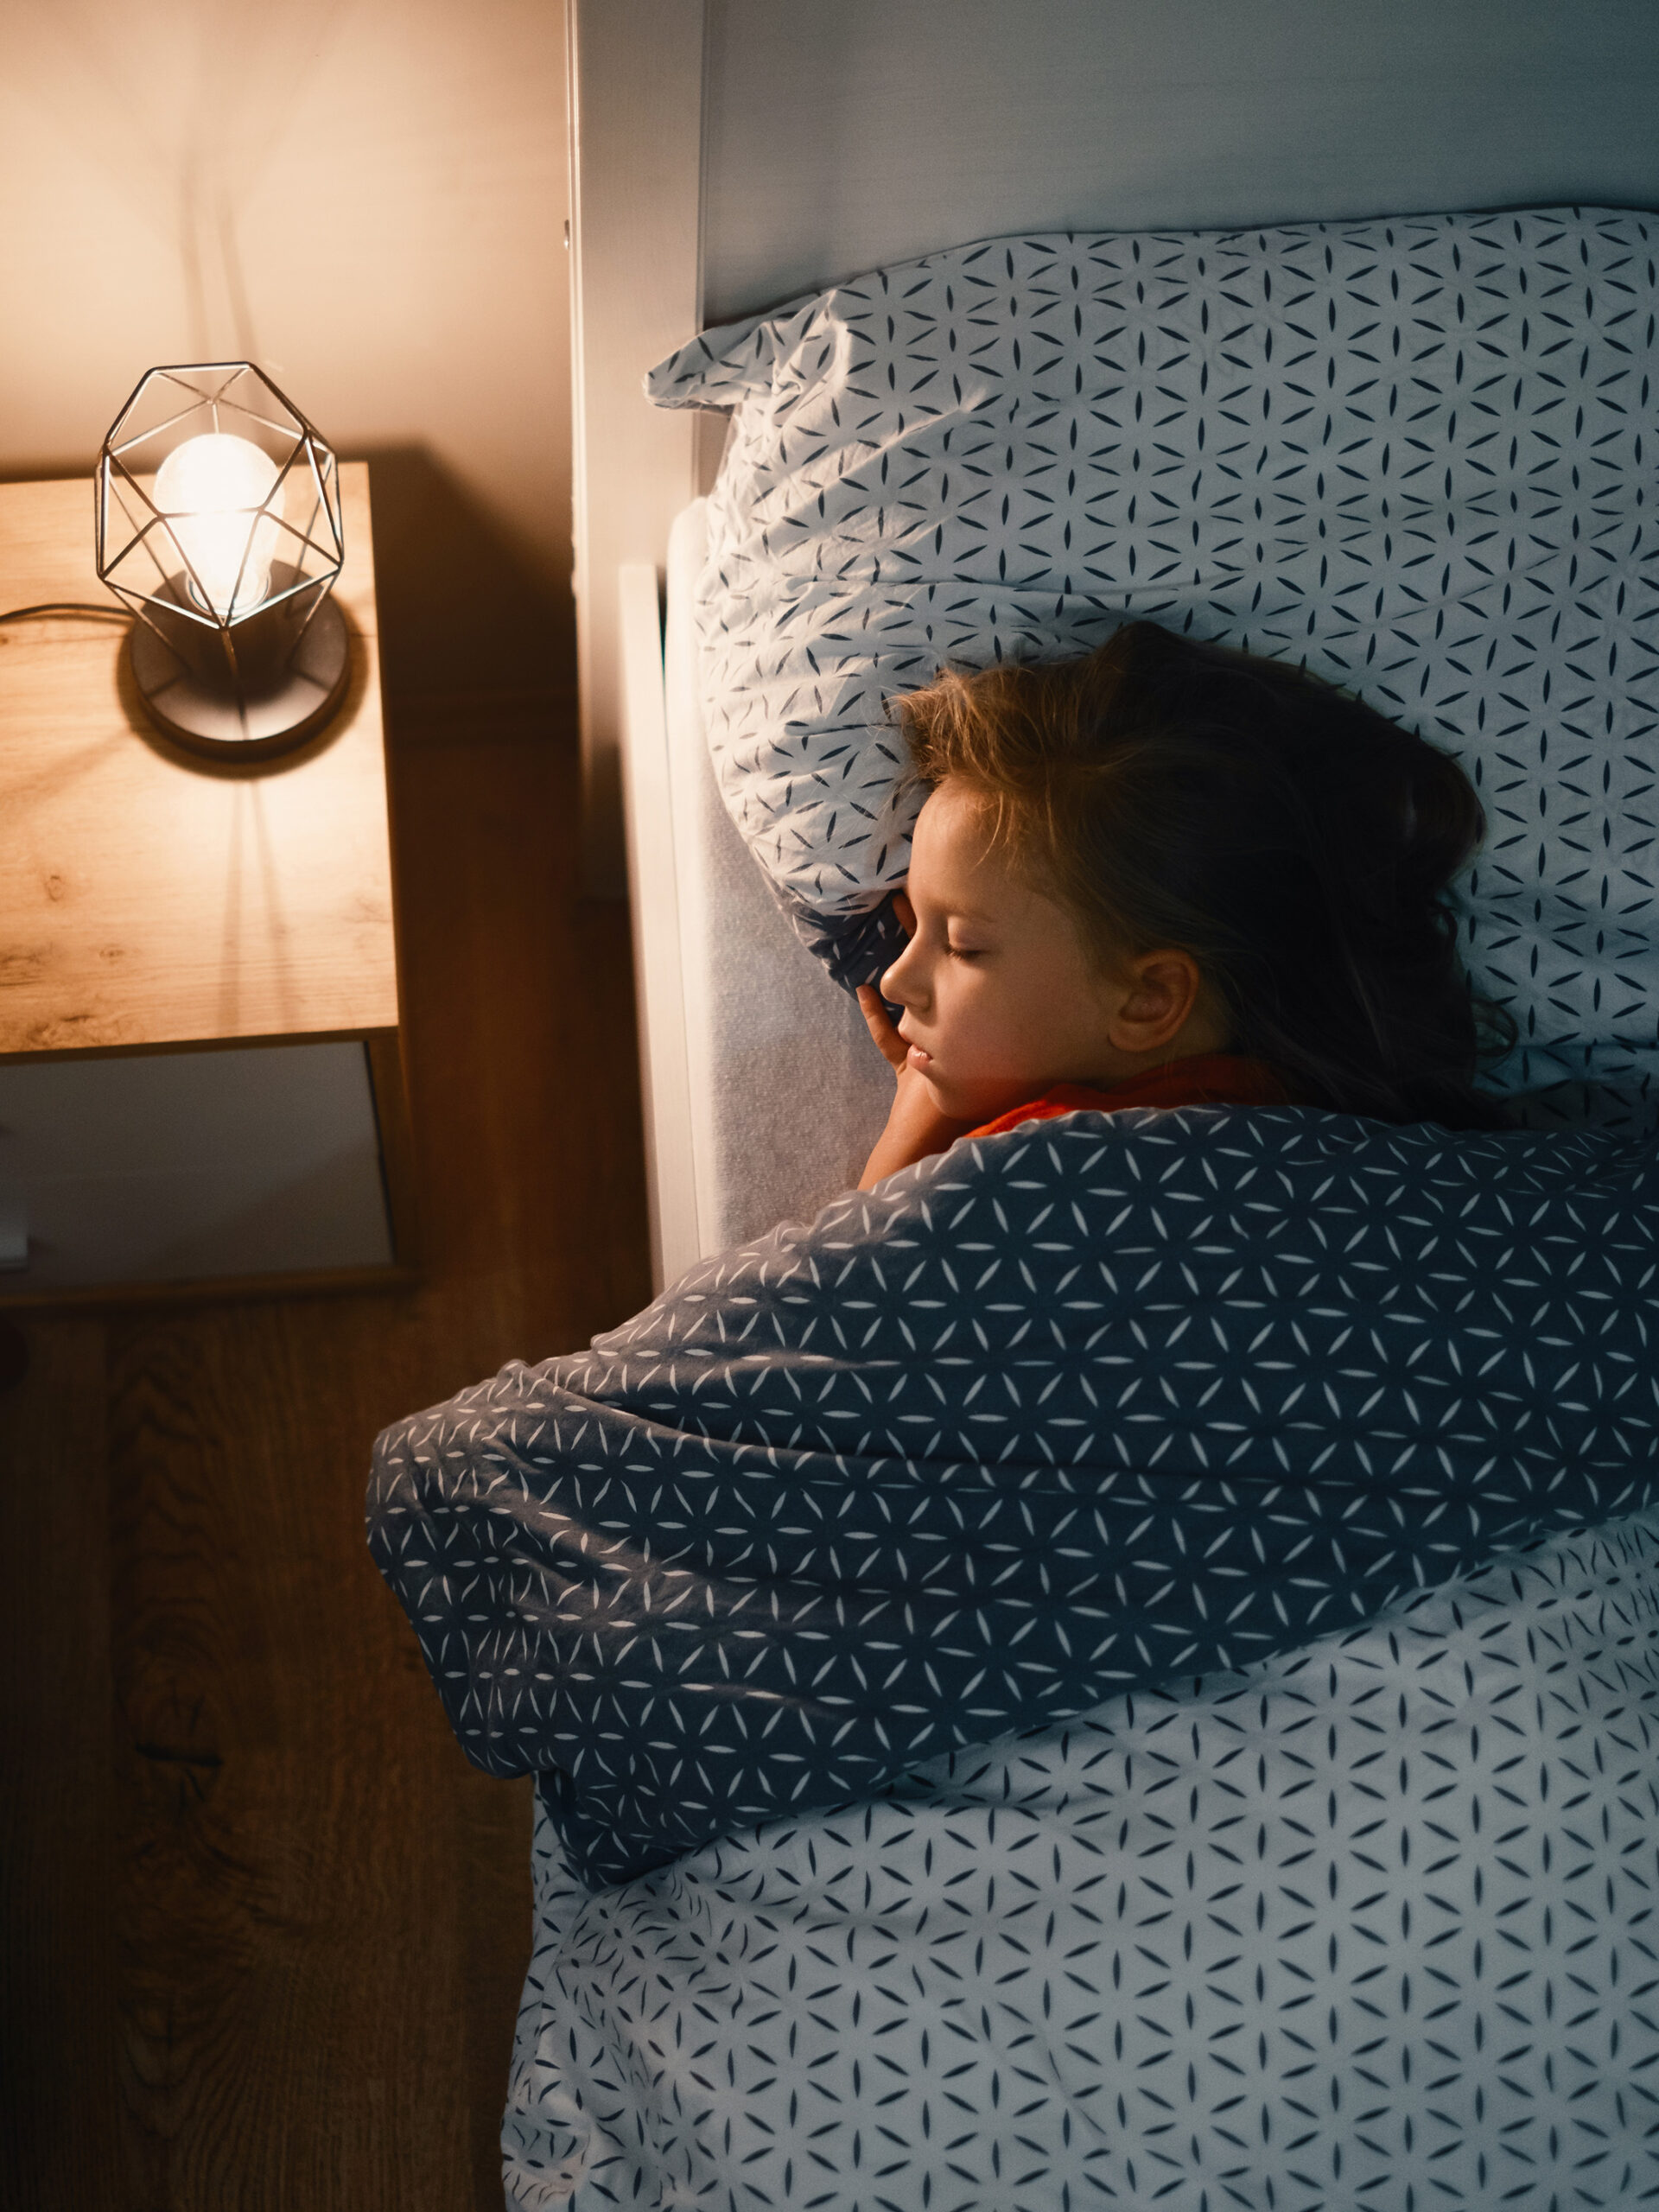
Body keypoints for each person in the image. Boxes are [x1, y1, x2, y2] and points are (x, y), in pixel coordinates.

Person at [856, 619, 1512, 1189]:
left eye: (962, 947)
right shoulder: (1336, 1130)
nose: (896, 979)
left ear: (1149, 999)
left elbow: (849, 1307)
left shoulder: (1027, 1160)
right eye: (916, 928)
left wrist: (903, 1147)